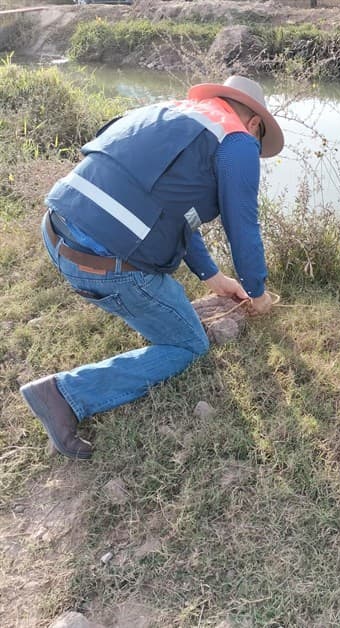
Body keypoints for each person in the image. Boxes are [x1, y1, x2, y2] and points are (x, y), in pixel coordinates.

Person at [20, 75, 284, 460]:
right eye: (259, 145)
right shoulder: (238, 142)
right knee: (188, 343)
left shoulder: (173, 113)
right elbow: (243, 228)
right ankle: (63, 394)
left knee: (166, 296)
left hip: (57, 234)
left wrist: (214, 278)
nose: (254, 152)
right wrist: (257, 293)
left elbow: (175, 212)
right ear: (256, 124)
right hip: (104, 263)